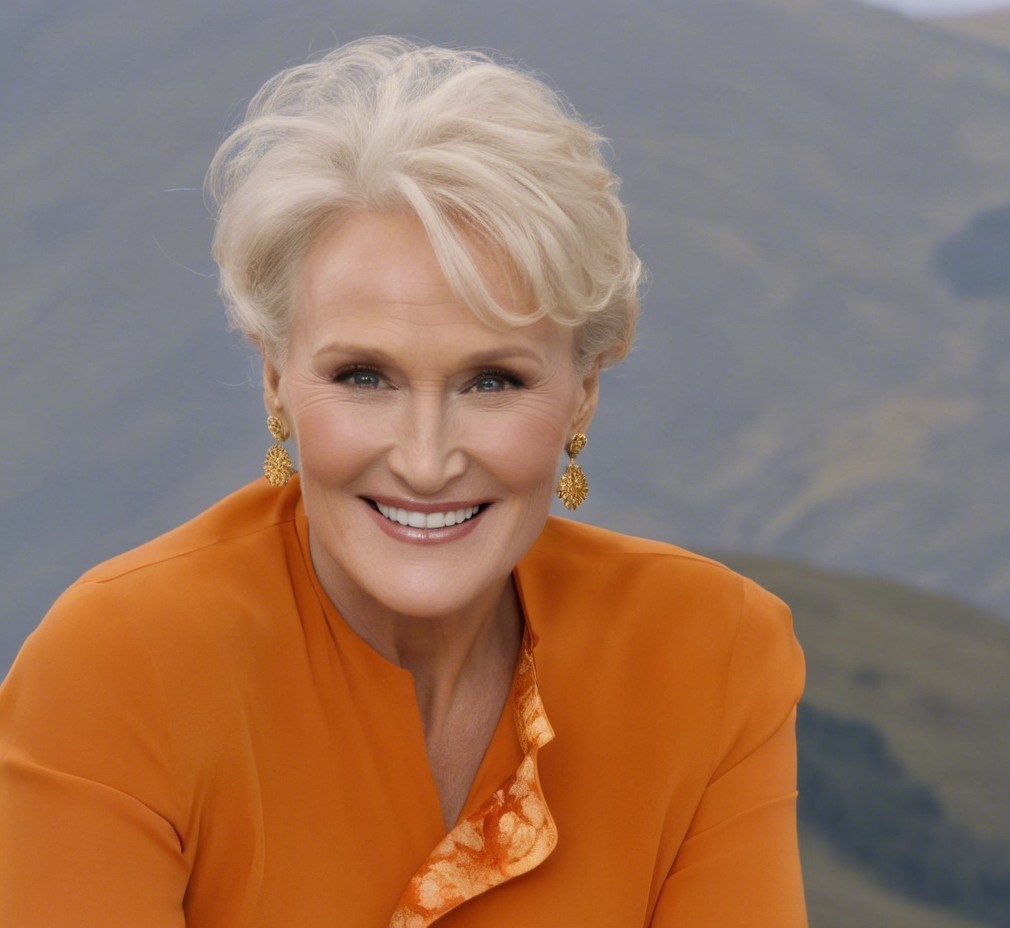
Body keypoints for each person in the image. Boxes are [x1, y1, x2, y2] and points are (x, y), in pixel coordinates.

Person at [0, 37, 806, 927]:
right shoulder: (123, 664)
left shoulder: (713, 654)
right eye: (364, 377)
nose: (426, 461)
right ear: (275, 379)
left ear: (584, 390)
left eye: (493, 381)